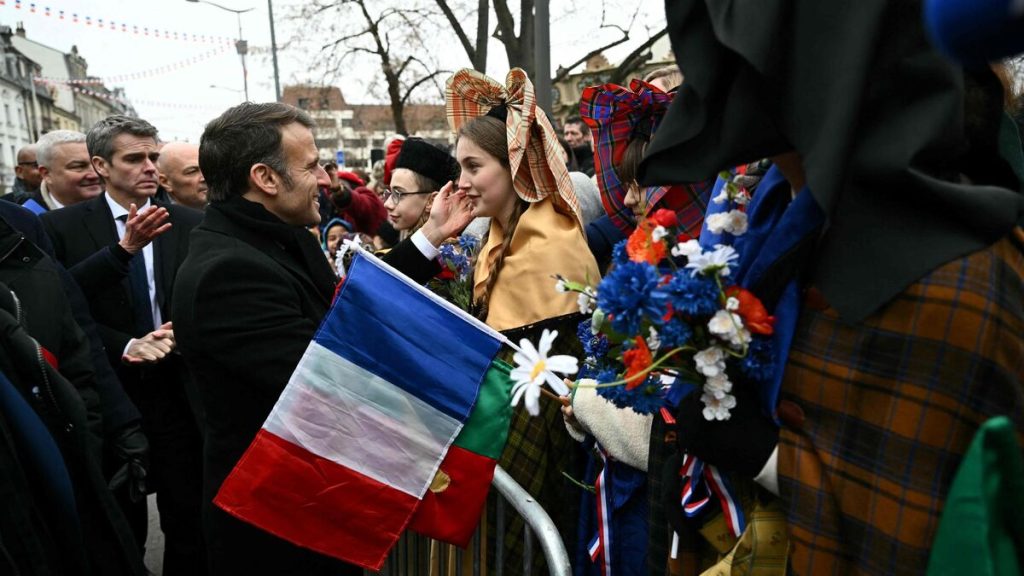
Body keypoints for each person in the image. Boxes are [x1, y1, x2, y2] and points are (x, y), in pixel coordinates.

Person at [639, 1, 1024, 574]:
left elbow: (930, 536)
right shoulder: (769, 208)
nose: (714, 75)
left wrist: (768, 459)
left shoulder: (954, 277)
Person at [171, 102, 473, 575]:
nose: (328, 180)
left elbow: (349, 309)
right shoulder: (228, 272)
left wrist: (431, 235)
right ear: (265, 179)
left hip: (307, 507)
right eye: (311, 166)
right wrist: (457, 378)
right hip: (279, 530)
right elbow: (333, 378)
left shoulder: (269, 238)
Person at [446, 67, 601, 573]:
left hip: (540, 431)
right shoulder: (498, 234)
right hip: (507, 423)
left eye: (473, 166)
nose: (462, 182)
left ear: (513, 164)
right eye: (459, 167)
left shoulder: (550, 240)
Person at [41, 115, 206, 575]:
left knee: (187, 523)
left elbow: (206, 298)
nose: (149, 167)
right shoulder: (62, 228)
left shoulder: (193, 223)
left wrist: (179, 333)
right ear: (101, 165)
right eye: (134, 158)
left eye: (154, 157)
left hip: (177, 391)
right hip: (109, 398)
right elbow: (63, 306)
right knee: (121, 529)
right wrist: (127, 342)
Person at [384, 137, 460, 239]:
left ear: (432, 200)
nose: (387, 204)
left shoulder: (446, 252)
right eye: (390, 192)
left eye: (398, 194)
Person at [157, 142, 209, 210]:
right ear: (165, 182)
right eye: (192, 171)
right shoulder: (153, 218)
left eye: (207, 168)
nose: (205, 178)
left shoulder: (224, 208)